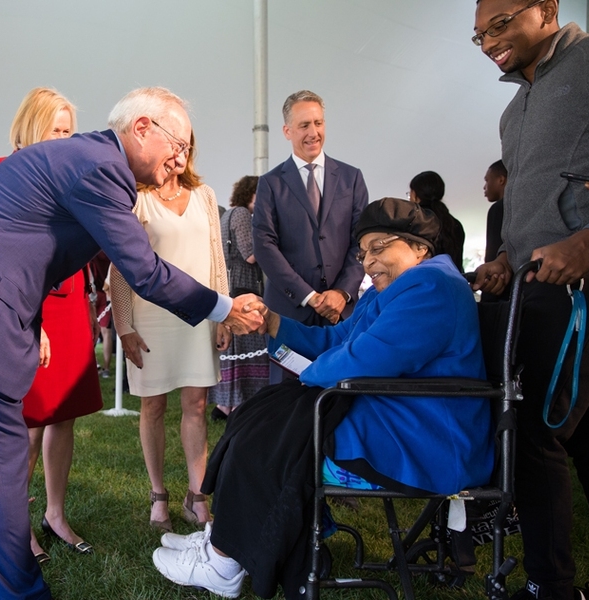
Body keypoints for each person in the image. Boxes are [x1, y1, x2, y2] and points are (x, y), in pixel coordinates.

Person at [0, 86, 266, 600]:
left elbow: (26, 244)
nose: (181, 160)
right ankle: (18, 595)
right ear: (142, 127)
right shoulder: (102, 168)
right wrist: (224, 306)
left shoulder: (85, 158)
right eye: (178, 145)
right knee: (3, 467)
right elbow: (144, 270)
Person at [152, 197, 495, 599]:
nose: (368, 262)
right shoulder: (397, 288)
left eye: (380, 248)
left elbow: (368, 358)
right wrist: (274, 321)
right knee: (259, 414)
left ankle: (224, 561)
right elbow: (337, 341)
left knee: (274, 429)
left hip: (426, 437)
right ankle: (223, 541)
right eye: (364, 252)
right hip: (398, 414)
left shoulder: (432, 286)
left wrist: (309, 377)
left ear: (419, 247)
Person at [471, 2, 589, 599]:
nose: (488, 41)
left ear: (547, 8)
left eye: (500, 24)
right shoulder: (511, 110)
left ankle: (551, 585)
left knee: (531, 431)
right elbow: (530, 205)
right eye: (479, 35)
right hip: (531, 288)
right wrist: (504, 260)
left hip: (583, 287)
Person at [0, 88, 98, 565]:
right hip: (28, 307)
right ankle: (19, 528)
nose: (65, 138)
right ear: (32, 126)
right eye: (57, 129)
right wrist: (30, 321)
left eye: (70, 131)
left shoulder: (72, 178)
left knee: (63, 415)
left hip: (70, 305)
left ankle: (55, 514)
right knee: (28, 425)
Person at [110, 134, 230, 531]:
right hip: (150, 319)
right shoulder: (135, 197)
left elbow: (217, 256)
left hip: (198, 316)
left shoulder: (205, 195)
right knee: (153, 407)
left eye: (185, 147)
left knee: (196, 406)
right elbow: (120, 265)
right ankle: (158, 494)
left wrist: (223, 313)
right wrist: (124, 325)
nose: (178, 154)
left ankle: (197, 496)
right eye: (172, 146)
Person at [252, 89, 368, 384]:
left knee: (341, 397)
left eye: (319, 123)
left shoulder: (351, 178)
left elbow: (362, 241)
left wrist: (342, 293)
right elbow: (264, 246)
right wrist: (310, 297)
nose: (313, 132)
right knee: (286, 400)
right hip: (290, 313)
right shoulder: (270, 183)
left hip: (341, 315)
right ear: (287, 131)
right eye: (304, 125)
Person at [209, 175, 269, 420]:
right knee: (248, 344)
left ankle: (225, 405)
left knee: (232, 351)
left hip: (229, 288)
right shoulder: (243, 215)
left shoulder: (227, 215)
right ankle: (238, 405)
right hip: (243, 289)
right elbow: (251, 255)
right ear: (250, 194)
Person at [408, 171, 466, 272]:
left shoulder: (411, 222)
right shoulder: (454, 224)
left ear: (415, 195)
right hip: (452, 283)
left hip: (423, 284)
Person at [484, 160, 507, 262]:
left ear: (501, 180)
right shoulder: (522, 207)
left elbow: (492, 253)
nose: (484, 187)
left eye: (487, 180)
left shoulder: (498, 209)